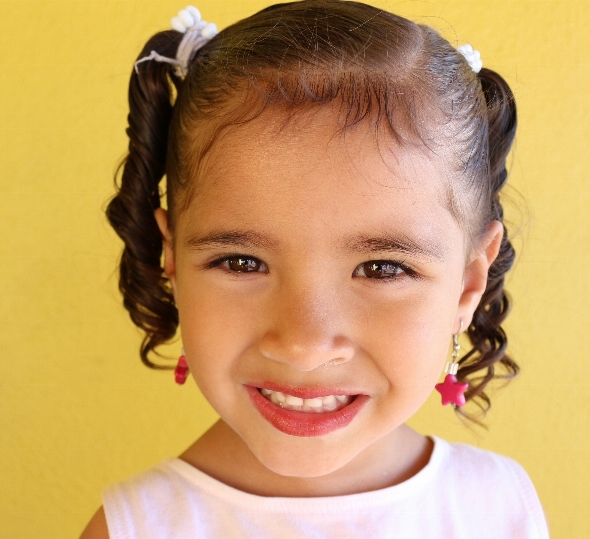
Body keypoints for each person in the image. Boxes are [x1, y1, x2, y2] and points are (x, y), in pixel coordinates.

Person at [81, 1, 549, 537]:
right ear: (173, 262)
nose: (304, 342)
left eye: (381, 268)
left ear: (468, 285)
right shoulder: (135, 528)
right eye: (242, 262)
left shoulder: (498, 508)